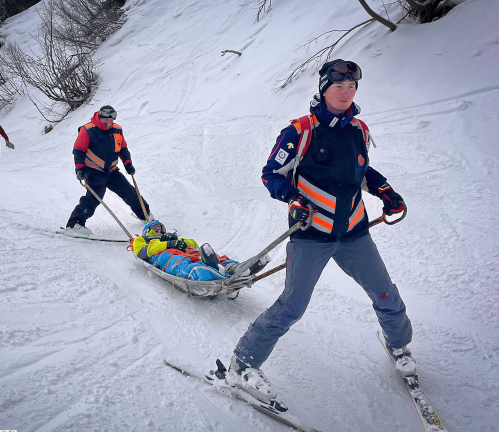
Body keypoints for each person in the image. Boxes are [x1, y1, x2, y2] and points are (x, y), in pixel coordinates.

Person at [225, 59, 414, 405]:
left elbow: (361, 169)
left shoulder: (358, 129)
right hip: (310, 234)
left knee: (385, 293)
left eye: (351, 87)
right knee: (291, 307)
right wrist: (293, 198)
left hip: (354, 233)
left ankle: (398, 345)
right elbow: (271, 174)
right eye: (339, 86)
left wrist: (384, 190)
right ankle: (241, 366)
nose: (346, 92)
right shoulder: (300, 130)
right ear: (324, 89)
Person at [65, 105, 153, 237]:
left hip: (112, 171)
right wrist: (79, 168)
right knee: (93, 198)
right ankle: (74, 224)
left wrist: (128, 164)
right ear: (100, 117)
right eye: (107, 119)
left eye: (112, 119)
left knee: (130, 192)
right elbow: (78, 150)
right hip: (94, 171)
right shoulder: (88, 130)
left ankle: (145, 215)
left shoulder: (117, 130)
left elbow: (122, 148)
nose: (110, 122)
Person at [132, 221, 270, 281]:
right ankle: (208, 270)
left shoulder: (169, 238)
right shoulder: (142, 240)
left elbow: (194, 243)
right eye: (156, 228)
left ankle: (234, 268)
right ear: (147, 231)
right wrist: (167, 244)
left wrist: (177, 240)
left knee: (201, 253)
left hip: (186, 251)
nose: (160, 231)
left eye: (162, 228)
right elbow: (142, 253)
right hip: (162, 256)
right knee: (178, 261)